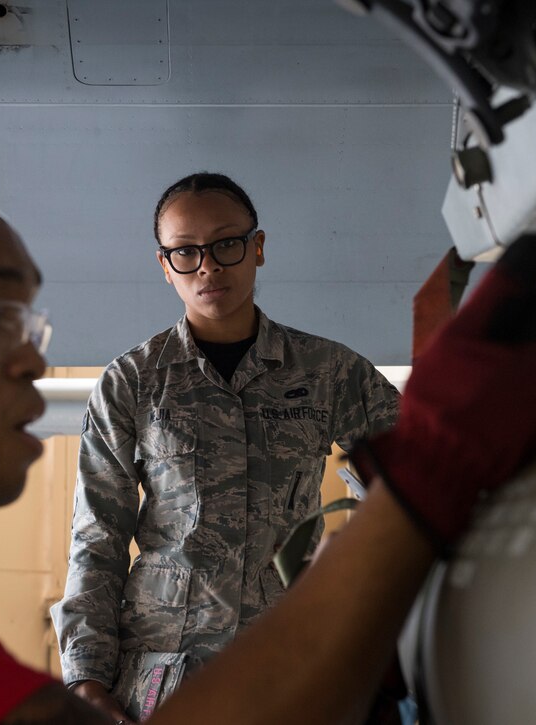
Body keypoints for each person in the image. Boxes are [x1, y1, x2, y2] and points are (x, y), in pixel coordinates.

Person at [0, 158, 536, 724]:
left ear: (257, 248)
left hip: (275, 643)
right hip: (171, 666)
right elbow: (99, 535)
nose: (28, 361)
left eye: (27, 321)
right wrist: (434, 481)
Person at [54, 173, 402, 720]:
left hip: (286, 662)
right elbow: (97, 538)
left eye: (225, 244)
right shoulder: (134, 381)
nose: (209, 266)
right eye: (186, 253)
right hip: (164, 675)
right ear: (165, 266)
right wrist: (86, 680)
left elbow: (406, 482)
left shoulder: (328, 371)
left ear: (256, 248)